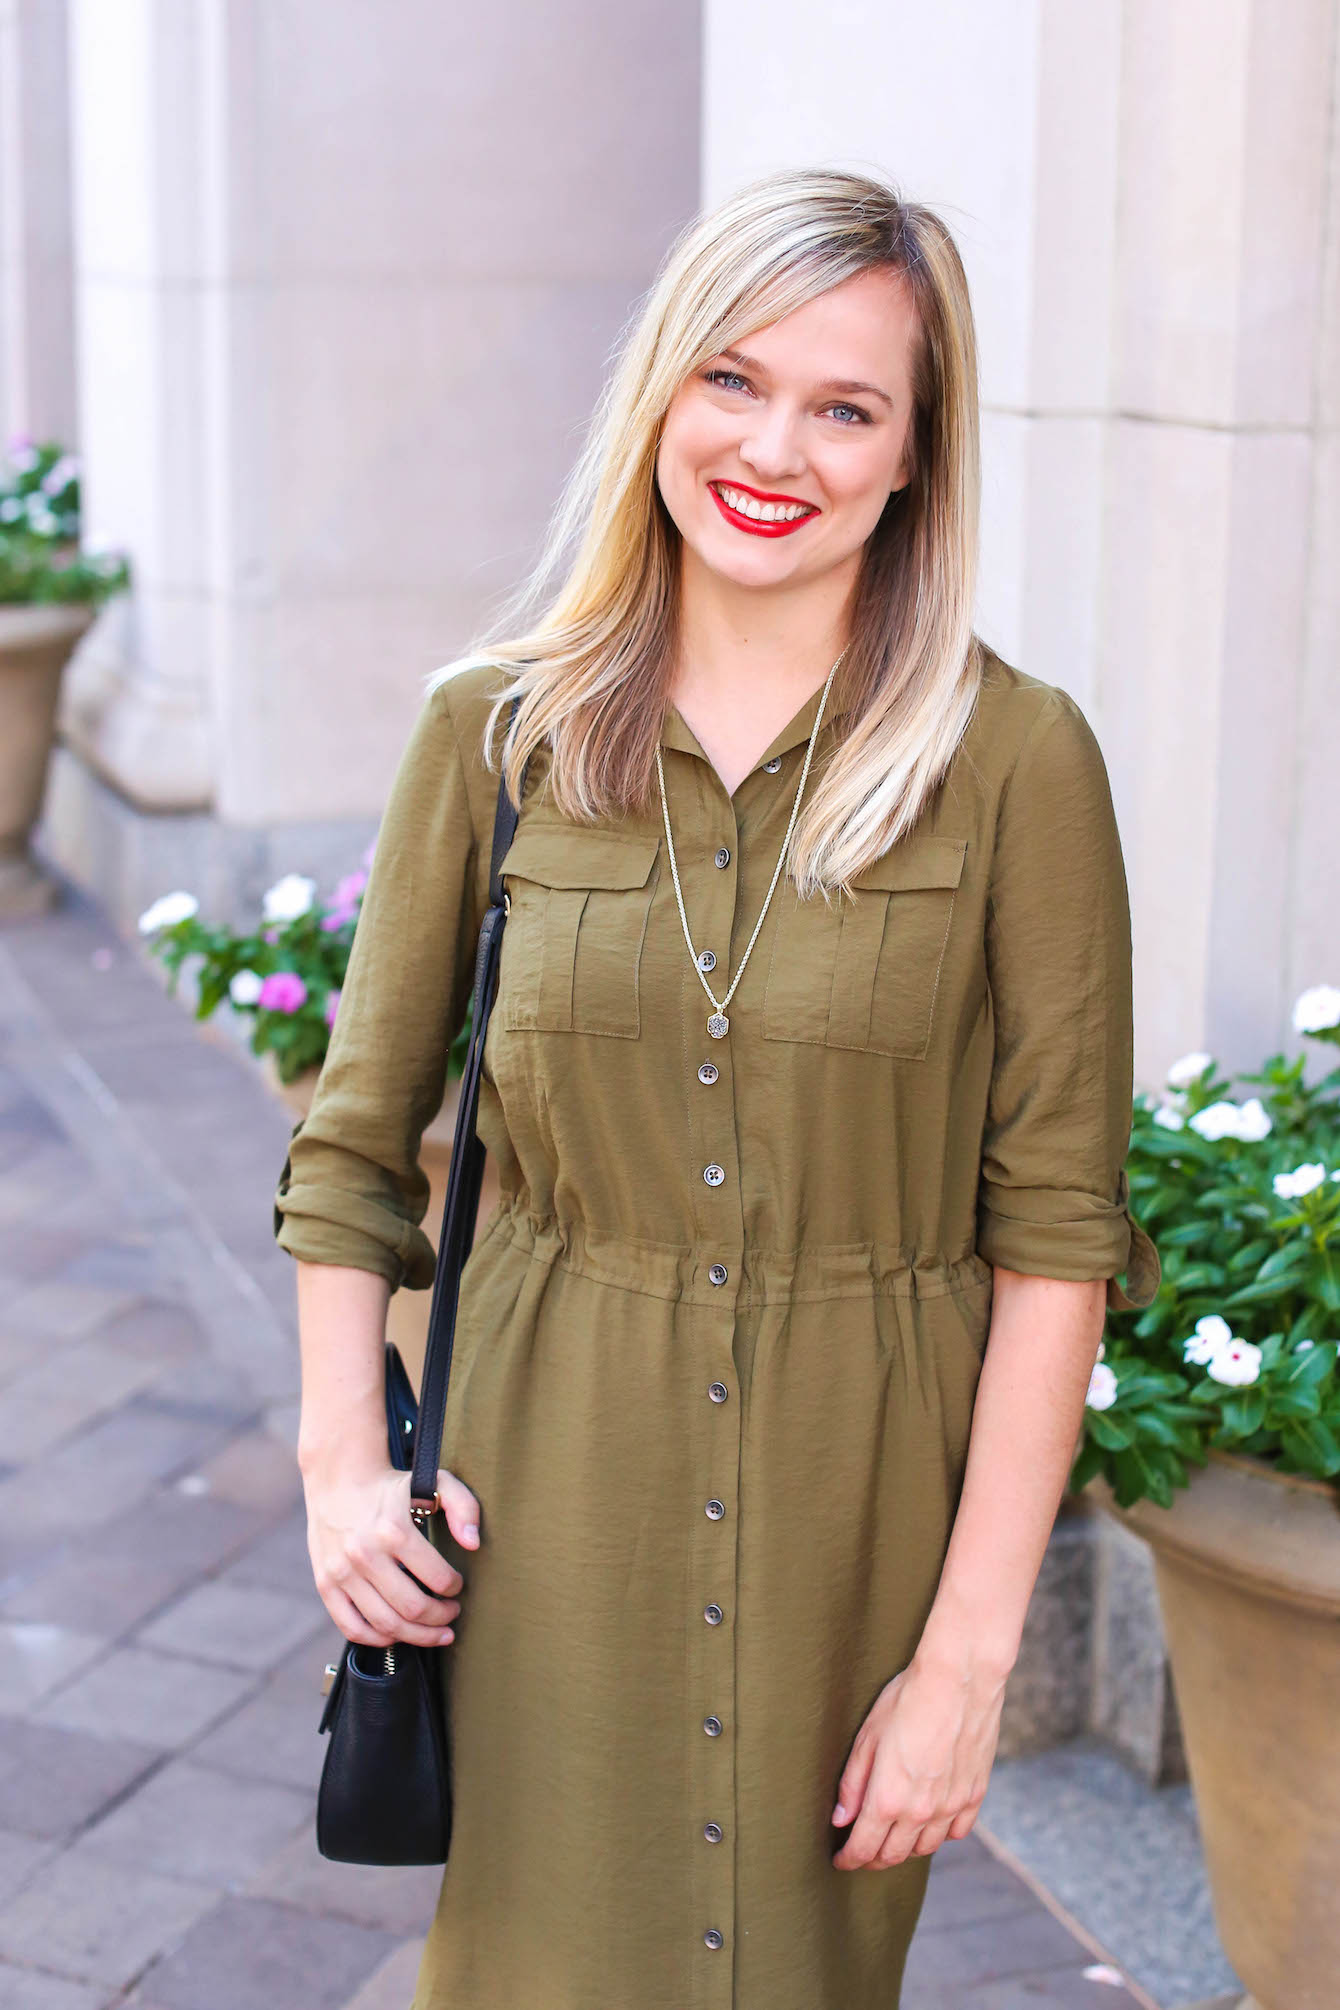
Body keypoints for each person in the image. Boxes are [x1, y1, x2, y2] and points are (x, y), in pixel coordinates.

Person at [273, 164, 1161, 2010]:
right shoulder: (493, 732)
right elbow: (355, 1148)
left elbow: (1057, 1238)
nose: (780, 447)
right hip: (545, 1495)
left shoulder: (1015, 765)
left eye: (849, 406)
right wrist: (345, 1470)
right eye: (733, 381)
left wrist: (967, 1660)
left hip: (863, 1511)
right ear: (659, 395)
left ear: (919, 454)